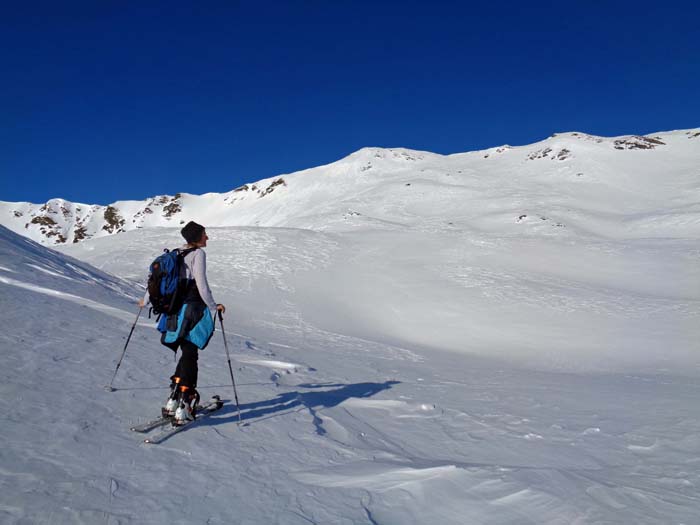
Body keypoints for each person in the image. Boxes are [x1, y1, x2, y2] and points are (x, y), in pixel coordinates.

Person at [139, 221, 225, 424]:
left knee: (187, 353)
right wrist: (214, 306)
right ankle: (185, 403)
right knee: (190, 351)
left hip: (174, 311)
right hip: (193, 308)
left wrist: (146, 300)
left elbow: (156, 279)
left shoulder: (176, 254)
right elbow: (201, 284)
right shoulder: (198, 254)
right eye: (205, 234)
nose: (207, 238)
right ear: (197, 236)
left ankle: (173, 400)